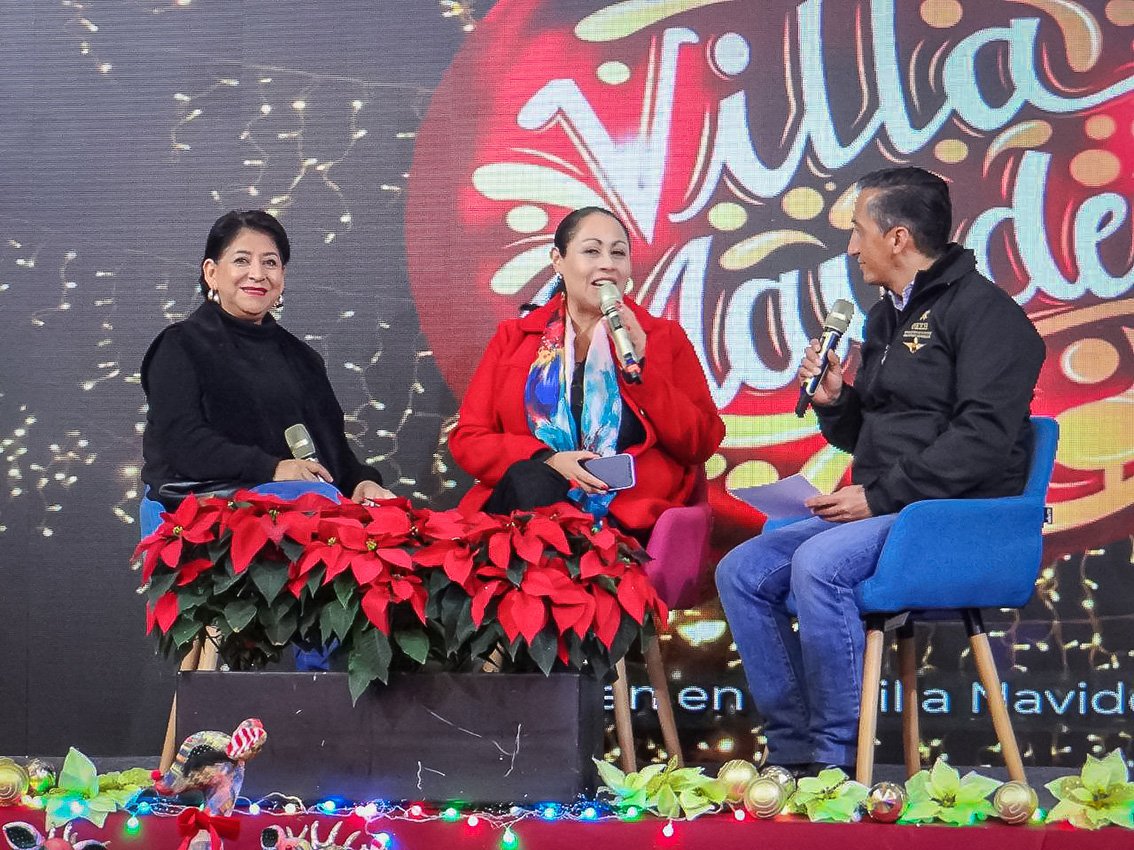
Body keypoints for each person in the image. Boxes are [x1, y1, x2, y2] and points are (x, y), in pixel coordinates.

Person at [715, 167, 1045, 775]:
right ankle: (791, 750)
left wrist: (880, 496)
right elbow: (870, 434)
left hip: (951, 517)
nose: (850, 247)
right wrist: (837, 400)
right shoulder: (883, 317)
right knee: (742, 570)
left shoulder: (987, 315)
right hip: (889, 506)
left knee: (820, 564)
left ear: (897, 238)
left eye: (857, 231)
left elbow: (982, 441)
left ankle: (833, 762)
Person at [450, 206, 724, 536]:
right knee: (532, 481)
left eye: (618, 253)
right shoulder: (514, 338)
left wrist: (642, 369)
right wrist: (547, 460)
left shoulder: (662, 338)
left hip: (625, 517)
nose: (607, 263)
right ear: (558, 260)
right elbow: (469, 439)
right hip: (527, 507)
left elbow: (701, 443)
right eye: (592, 251)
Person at [141, 209, 394, 510]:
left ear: (282, 278)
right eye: (241, 260)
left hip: (303, 511)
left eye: (270, 263)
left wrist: (362, 482)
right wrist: (273, 469)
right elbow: (182, 444)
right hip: (206, 514)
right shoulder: (181, 345)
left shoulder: (303, 359)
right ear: (211, 273)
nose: (258, 274)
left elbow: (333, 453)